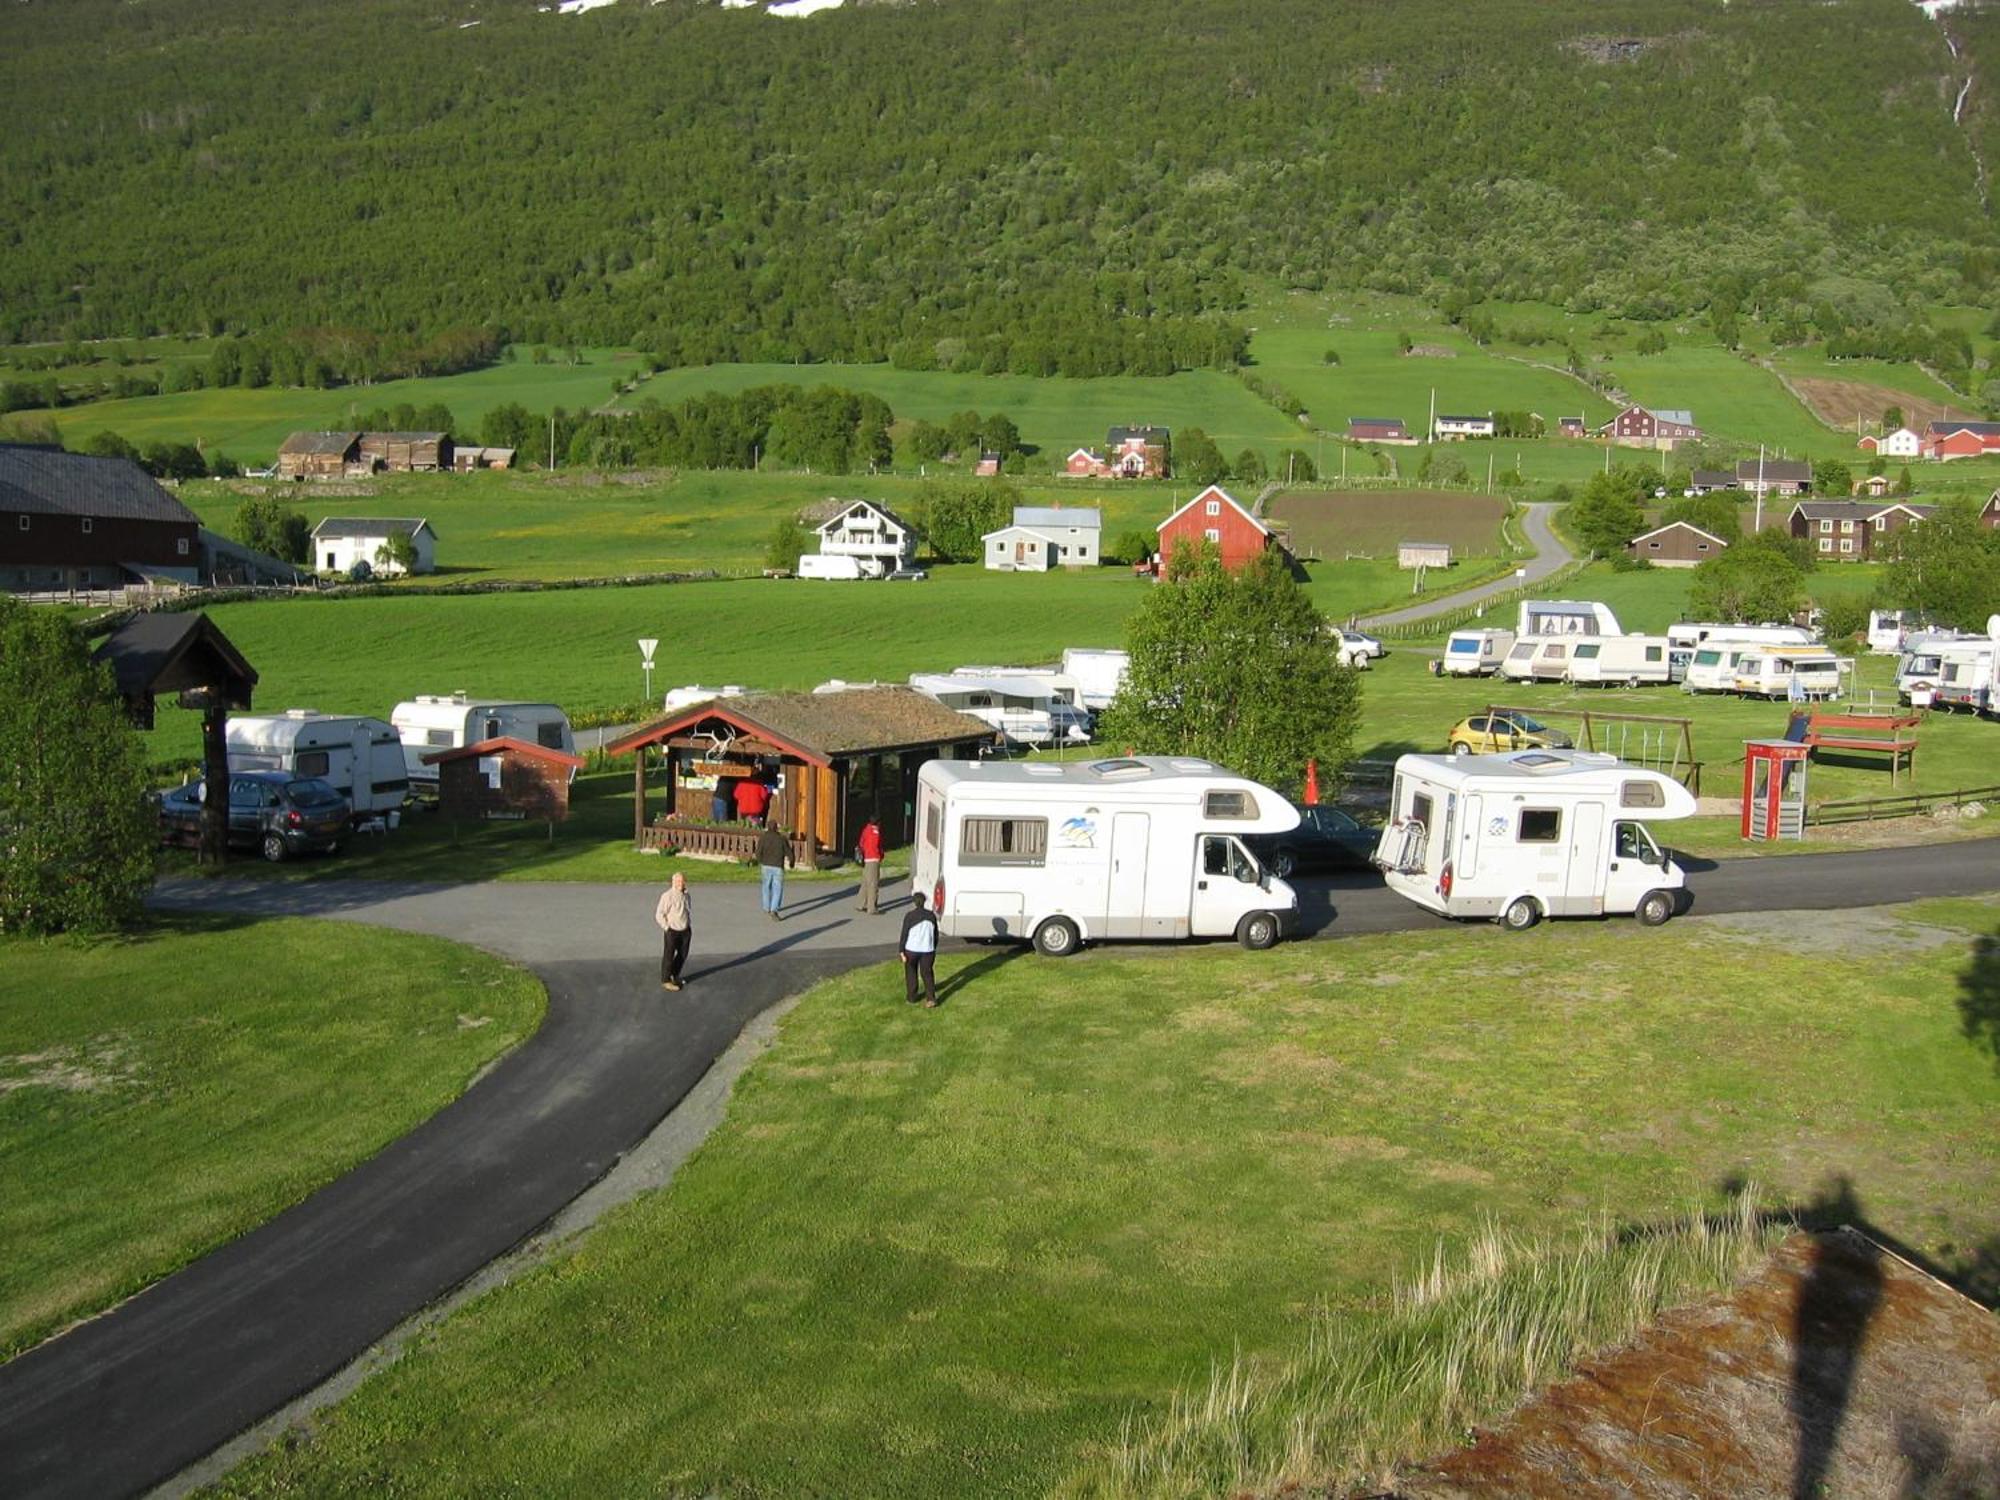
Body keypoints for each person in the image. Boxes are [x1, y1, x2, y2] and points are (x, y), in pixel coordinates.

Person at [899, 889, 939, 1008]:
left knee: (911, 972)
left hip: (911, 949)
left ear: (914, 902)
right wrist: (933, 947)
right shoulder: (931, 915)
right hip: (927, 950)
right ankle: (931, 998)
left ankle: (912, 997)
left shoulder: (910, 916)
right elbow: (935, 934)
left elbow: (904, 934)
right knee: (927, 973)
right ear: (924, 901)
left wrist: (901, 951)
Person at [655, 871, 692, 991]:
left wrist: (688, 925)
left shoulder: (686, 895)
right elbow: (659, 914)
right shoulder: (667, 896)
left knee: (683, 954)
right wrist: (667, 928)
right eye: (677, 881)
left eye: (682, 881)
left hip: (685, 930)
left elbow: (687, 910)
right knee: (669, 956)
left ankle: (674, 975)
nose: (680, 883)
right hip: (672, 931)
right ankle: (666, 980)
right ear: (673, 882)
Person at [756, 820, 792, 919]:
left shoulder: (763, 838)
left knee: (766, 887)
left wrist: (760, 861)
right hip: (777, 866)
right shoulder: (781, 839)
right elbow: (789, 852)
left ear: (768, 827)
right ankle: (774, 909)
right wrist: (791, 862)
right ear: (776, 828)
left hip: (766, 865)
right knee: (777, 888)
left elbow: (758, 852)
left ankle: (766, 907)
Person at [855, 817, 883, 914]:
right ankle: (871, 907)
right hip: (873, 859)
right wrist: (880, 854)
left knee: (865, 882)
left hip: (866, 858)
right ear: (877, 822)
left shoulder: (866, 830)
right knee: (873, 884)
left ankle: (861, 903)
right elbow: (876, 845)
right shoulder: (875, 832)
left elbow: (861, 843)